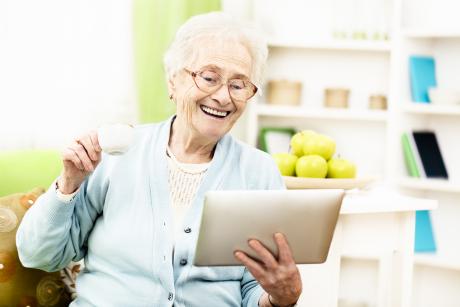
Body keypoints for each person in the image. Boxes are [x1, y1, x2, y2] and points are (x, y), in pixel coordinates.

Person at [16, 12, 302, 307]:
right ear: (173, 82)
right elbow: (38, 254)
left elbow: (256, 287)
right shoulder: (116, 153)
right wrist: (67, 187)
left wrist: (280, 297)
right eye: (209, 78)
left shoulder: (258, 171)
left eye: (238, 84)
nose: (223, 97)